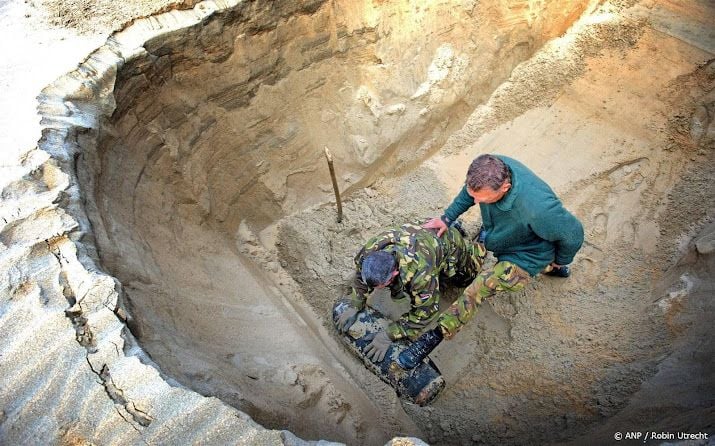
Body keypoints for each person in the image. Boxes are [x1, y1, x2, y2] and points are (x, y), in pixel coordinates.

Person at [395, 153, 584, 369]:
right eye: (474, 196)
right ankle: (549, 267)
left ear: (504, 187)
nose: (475, 202)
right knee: (486, 231)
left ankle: (433, 337)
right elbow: (470, 194)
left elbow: (573, 234)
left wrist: (561, 259)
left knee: (476, 290)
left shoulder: (539, 210)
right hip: (505, 235)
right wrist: (447, 218)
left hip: (526, 255)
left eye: (481, 200)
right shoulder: (490, 167)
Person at [334, 222, 484, 363]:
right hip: (420, 234)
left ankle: (481, 243)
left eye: (381, 285)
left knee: (465, 279)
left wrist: (389, 334)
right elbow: (361, 275)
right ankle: (453, 225)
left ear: (394, 274)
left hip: (449, 245)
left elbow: (426, 313)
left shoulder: (420, 275)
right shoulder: (369, 250)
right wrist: (355, 302)